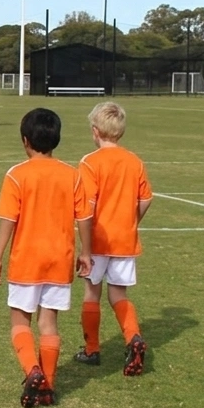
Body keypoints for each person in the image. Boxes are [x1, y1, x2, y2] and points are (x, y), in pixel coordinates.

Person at [0, 108, 93, 408]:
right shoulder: (72, 175)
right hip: (59, 260)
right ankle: (47, 386)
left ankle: (32, 370)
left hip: (26, 260)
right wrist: (86, 252)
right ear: (56, 140)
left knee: (19, 322)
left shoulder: (17, 175)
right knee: (49, 323)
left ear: (25, 141)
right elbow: (84, 217)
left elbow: (8, 219)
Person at [74, 102, 153, 376]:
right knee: (118, 294)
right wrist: (131, 223)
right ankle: (133, 337)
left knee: (91, 292)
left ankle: (92, 349)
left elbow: (88, 207)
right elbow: (145, 200)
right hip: (125, 240)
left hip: (98, 240)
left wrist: (85, 244)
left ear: (95, 132)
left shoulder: (90, 162)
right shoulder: (135, 161)